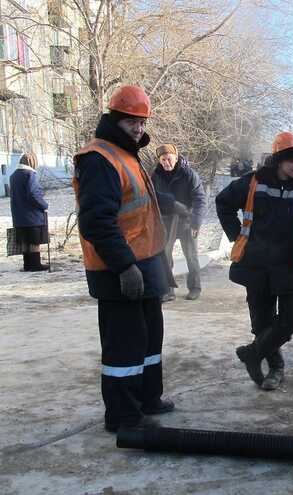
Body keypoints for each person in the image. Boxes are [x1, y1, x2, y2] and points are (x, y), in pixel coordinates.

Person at [72, 84, 175, 433]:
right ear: (114, 119)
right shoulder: (99, 158)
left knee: (148, 341)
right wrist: (125, 266)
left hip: (144, 266)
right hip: (121, 270)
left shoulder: (126, 154)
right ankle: (123, 416)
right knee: (124, 347)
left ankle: (147, 398)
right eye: (132, 121)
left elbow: (140, 212)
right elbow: (96, 222)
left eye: (143, 122)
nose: (139, 128)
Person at [216, 132, 293, 391]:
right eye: (291, 160)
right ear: (279, 161)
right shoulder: (252, 183)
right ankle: (275, 367)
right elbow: (223, 202)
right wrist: (237, 235)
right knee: (261, 321)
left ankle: (253, 353)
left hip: (291, 263)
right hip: (256, 264)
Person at [151, 144, 207, 301]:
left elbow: (200, 198)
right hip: (166, 221)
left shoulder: (188, 174)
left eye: (169, 159)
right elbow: (152, 198)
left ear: (176, 157)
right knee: (165, 256)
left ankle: (195, 287)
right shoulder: (156, 175)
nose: (166, 163)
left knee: (191, 255)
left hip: (186, 220)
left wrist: (196, 222)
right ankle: (168, 290)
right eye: (163, 160)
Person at [9, 152, 49, 272]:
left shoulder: (13, 175)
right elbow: (33, 194)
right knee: (34, 241)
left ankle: (28, 265)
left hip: (18, 215)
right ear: (32, 162)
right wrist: (44, 205)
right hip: (32, 215)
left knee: (25, 242)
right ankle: (35, 265)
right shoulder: (30, 174)